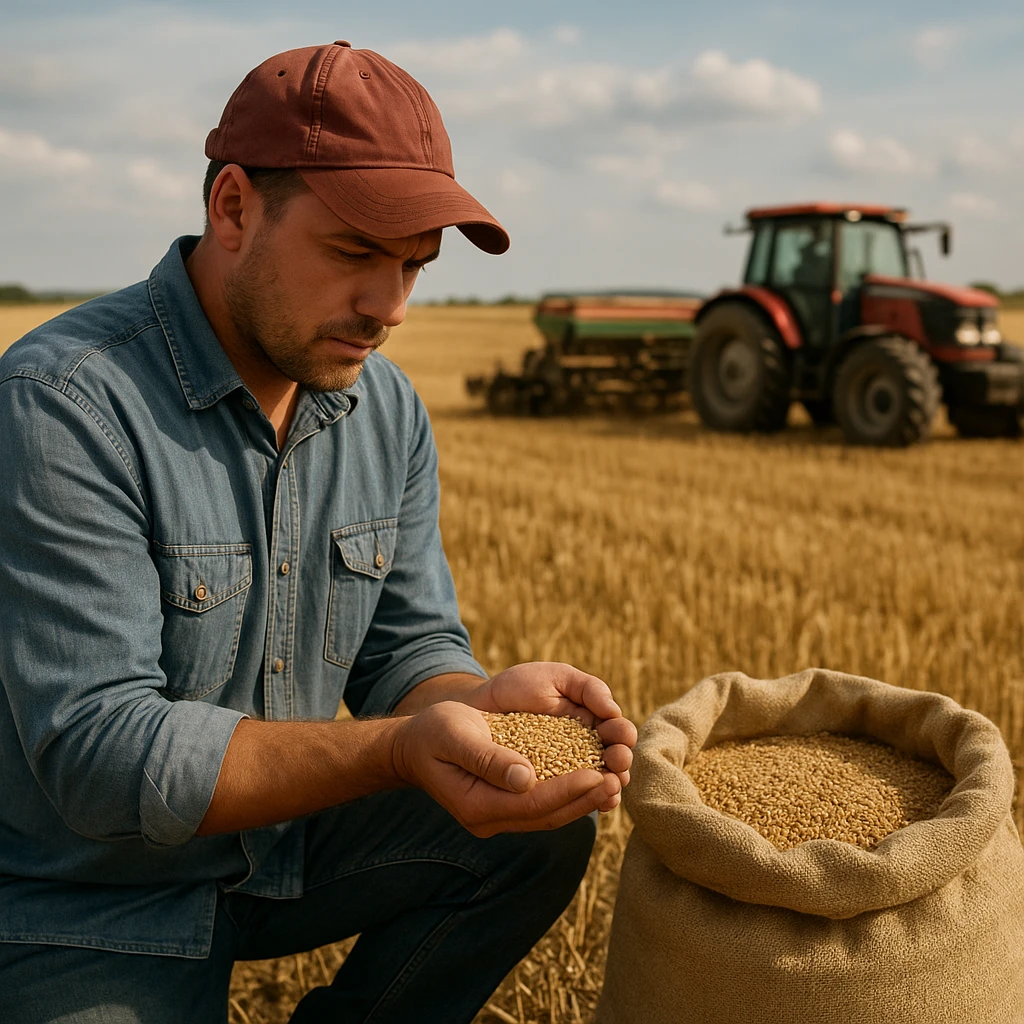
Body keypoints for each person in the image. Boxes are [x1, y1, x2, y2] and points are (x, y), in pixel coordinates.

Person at [0, 41, 636, 1023]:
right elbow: (100, 756)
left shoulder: (383, 410)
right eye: (353, 254)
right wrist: (395, 751)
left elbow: (406, 647)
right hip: (88, 895)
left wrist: (474, 703)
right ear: (232, 208)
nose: (388, 307)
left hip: (284, 852)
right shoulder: (67, 403)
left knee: (532, 832)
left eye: (413, 267)